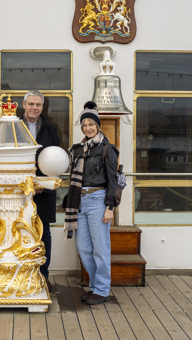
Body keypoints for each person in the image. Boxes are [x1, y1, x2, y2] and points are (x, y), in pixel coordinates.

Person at [64, 107, 119, 305]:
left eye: (91, 124)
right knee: (84, 248)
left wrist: (109, 207)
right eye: (85, 125)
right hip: (80, 200)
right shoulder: (78, 150)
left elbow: (113, 180)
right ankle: (95, 286)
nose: (88, 128)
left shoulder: (107, 149)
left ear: (98, 126)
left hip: (98, 199)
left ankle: (102, 289)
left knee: (101, 248)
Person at [21, 89, 60, 292]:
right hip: (19, 192)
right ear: (24, 105)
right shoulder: (13, 127)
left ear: (42, 108)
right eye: (31, 104)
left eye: (38, 105)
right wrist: (26, 184)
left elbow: (55, 159)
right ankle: (22, 275)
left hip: (43, 192)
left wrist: (40, 184)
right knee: (19, 232)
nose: (34, 108)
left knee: (44, 234)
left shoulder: (51, 130)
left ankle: (43, 276)